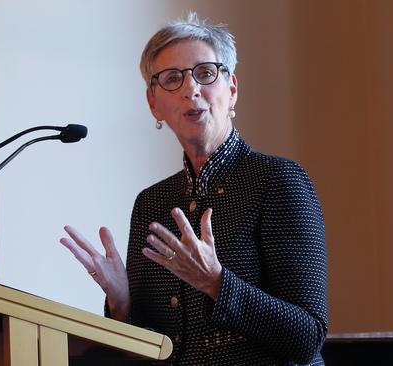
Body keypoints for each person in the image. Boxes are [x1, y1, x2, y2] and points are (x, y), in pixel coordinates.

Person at [60, 13, 328, 365]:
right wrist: (121, 305)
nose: (191, 89)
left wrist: (216, 282)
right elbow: (147, 348)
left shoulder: (278, 180)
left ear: (231, 89)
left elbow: (308, 336)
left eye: (205, 73)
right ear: (153, 103)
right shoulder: (151, 203)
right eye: (172, 79)